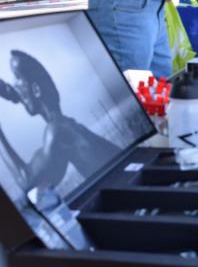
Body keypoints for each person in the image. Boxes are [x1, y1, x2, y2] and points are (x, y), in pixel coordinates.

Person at [0, 50, 120, 191]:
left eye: (17, 77)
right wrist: (11, 93)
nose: (14, 84)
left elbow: (28, 182)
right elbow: (18, 93)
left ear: (36, 90)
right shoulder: (67, 125)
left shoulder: (57, 132)